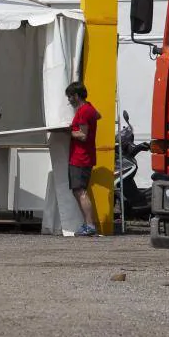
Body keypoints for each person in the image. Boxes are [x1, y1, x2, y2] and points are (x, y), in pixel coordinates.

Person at [66, 82, 101, 237]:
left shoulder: (83, 112)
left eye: (70, 97)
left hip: (81, 157)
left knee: (80, 191)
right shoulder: (89, 108)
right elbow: (98, 115)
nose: (69, 100)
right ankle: (88, 224)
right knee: (78, 190)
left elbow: (83, 135)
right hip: (84, 156)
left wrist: (68, 131)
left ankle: (89, 225)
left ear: (76, 95)